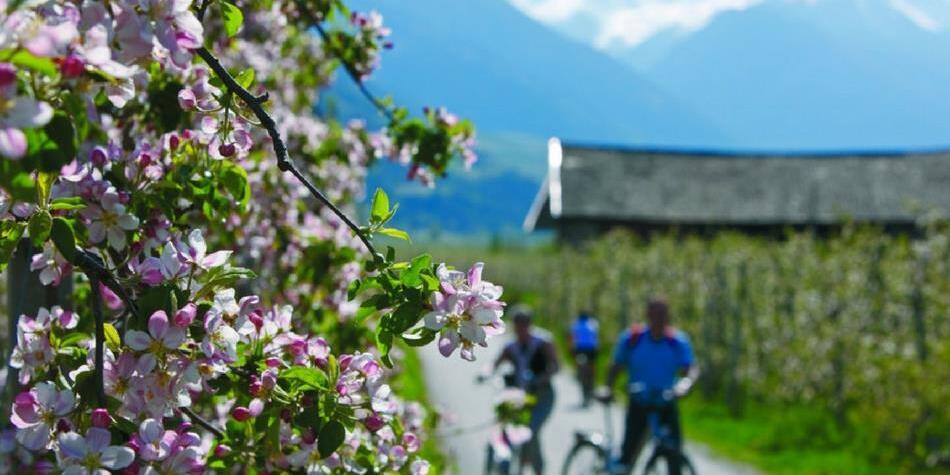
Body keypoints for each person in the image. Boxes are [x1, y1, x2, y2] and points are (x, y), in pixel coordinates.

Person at [600, 297, 699, 475]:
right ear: (647, 314)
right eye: (655, 314)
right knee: (627, 457)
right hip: (639, 403)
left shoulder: (677, 341)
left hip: (666, 404)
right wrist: (608, 387)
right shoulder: (633, 338)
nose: (659, 318)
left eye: (663, 314)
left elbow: (690, 368)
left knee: (673, 453)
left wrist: (685, 384)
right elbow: (616, 365)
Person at [493, 305, 560, 475]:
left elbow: (555, 365)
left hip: (542, 396)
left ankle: (537, 468)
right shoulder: (511, 346)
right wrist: (485, 373)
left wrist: (542, 378)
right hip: (520, 396)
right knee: (513, 428)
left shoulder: (543, 342)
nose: (520, 328)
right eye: (517, 324)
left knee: (530, 430)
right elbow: (496, 363)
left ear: (529, 324)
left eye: (523, 324)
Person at [568, 310, 600, 407]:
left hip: (580, 350)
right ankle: (591, 388)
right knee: (591, 372)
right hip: (592, 350)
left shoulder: (575, 324)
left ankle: (579, 376)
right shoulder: (593, 323)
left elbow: (572, 338)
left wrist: (571, 351)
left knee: (581, 370)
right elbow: (596, 337)